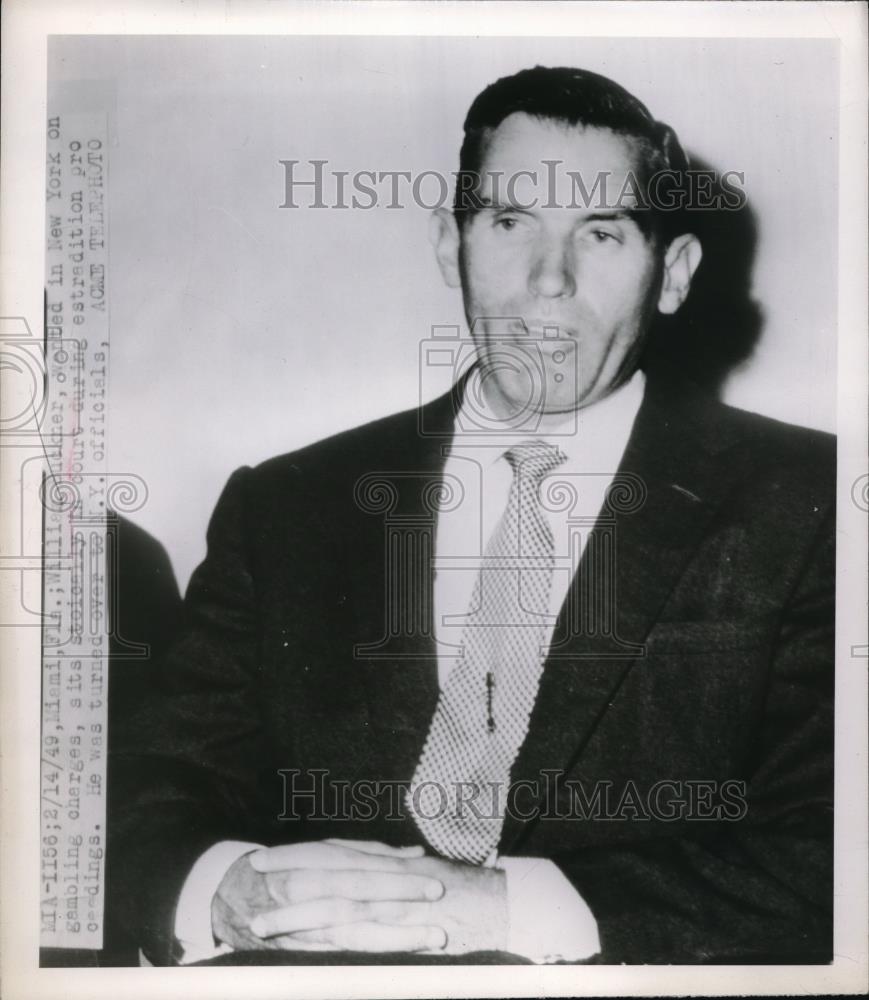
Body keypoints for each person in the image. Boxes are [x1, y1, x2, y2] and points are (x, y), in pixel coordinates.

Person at [113, 65, 834, 966]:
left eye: (600, 233)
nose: (548, 281)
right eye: (508, 223)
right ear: (450, 248)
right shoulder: (287, 504)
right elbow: (149, 789)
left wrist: (506, 911)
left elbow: (837, 848)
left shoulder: (814, 501)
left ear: (674, 273)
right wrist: (220, 886)